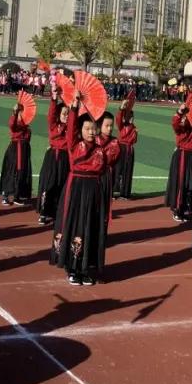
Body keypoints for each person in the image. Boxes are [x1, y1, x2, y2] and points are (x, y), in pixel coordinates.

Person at [51, 100, 112, 285]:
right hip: (76, 188)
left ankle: (85, 267)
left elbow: (111, 160)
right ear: (80, 130)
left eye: (94, 128)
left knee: (90, 227)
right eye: (87, 129)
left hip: (94, 190)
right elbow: (70, 127)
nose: (92, 132)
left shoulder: (101, 148)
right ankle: (72, 267)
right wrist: (75, 107)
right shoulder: (74, 144)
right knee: (74, 225)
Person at [36, 92, 70, 225]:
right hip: (52, 157)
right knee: (48, 184)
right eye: (63, 113)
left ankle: (57, 212)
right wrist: (54, 99)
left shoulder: (71, 128)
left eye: (68, 114)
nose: (66, 116)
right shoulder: (54, 125)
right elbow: (51, 114)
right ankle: (44, 212)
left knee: (62, 185)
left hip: (65, 158)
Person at [166, 105, 192, 223]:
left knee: (191, 184)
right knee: (181, 184)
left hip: (191, 156)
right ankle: (178, 209)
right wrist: (179, 112)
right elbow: (175, 125)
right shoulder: (182, 126)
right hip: (182, 155)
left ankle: (188, 209)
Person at [0, 100, 33, 206]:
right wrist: (14, 112)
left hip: (23, 150)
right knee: (11, 170)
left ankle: (17, 195)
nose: (23, 114)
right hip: (15, 149)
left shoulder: (26, 126)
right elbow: (12, 125)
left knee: (21, 172)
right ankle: (5, 194)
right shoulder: (14, 122)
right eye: (21, 112)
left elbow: (28, 139)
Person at [113, 96, 138, 199]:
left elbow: (134, 141)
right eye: (129, 116)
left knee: (128, 171)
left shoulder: (134, 128)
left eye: (132, 117)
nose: (131, 118)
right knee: (117, 170)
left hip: (129, 150)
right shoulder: (122, 126)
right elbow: (118, 118)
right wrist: (122, 108)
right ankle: (114, 191)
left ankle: (125, 193)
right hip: (121, 148)